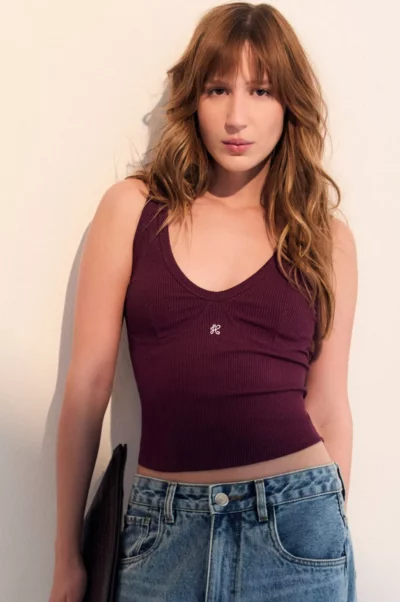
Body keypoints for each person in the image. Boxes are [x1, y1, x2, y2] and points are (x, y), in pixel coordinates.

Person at [49, 3, 358, 601]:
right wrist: (67, 557)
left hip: (296, 531)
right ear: (193, 97)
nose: (237, 116)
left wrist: (332, 530)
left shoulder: (324, 237)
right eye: (218, 89)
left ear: (289, 104)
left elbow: (328, 408)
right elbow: (87, 387)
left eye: (261, 91)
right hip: (162, 533)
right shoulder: (133, 210)